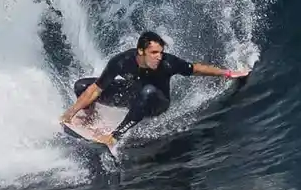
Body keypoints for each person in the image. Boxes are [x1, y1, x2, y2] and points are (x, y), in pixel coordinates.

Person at [59, 31, 249, 146]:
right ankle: (90, 119)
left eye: (161, 52)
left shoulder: (168, 63)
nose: (159, 56)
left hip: (156, 102)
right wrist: (70, 112)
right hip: (133, 95)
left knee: (147, 91)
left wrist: (228, 73)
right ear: (141, 52)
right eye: (154, 53)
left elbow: (196, 69)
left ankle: (114, 137)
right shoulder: (122, 62)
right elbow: (96, 89)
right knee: (82, 86)